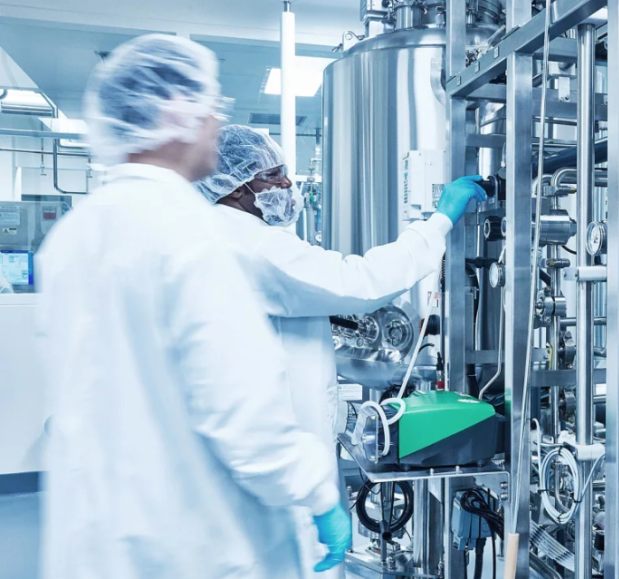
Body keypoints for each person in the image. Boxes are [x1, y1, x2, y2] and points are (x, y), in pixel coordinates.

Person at [35, 35, 350, 579]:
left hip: (99, 543)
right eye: (210, 110)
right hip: (192, 542)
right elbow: (243, 413)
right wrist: (317, 491)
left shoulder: (74, 233)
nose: (215, 126)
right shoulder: (188, 232)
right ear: (175, 115)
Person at [195, 125, 485, 577]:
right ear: (235, 187)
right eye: (273, 176)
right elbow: (359, 281)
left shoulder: (216, 237)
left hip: (255, 467)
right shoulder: (251, 244)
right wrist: (438, 222)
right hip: (273, 476)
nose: (287, 185)